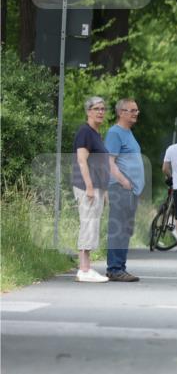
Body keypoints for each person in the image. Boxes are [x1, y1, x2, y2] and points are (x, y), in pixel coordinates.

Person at [105, 98, 144, 282]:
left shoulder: (129, 133)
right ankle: (114, 268)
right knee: (118, 228)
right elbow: (109, 162)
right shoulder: (115, 133)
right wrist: (124, 181)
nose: (136, 113)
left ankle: (120, 267)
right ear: (121, 112)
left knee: (125, 229)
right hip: (120, 189)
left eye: (137, 110)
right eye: (132, 110)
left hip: (130, 191)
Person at [72, 96, 110, 282]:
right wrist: (89, 187)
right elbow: (82, 160)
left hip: (98, 187)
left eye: (103, 109)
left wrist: (104, 191)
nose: (101, 112)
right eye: (96, 109)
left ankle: (87, 268)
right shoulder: (85, 132)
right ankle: (84, 269)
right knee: (88, 224)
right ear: (88, 111)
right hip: (87, 186)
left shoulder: (96, 133)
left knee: (93, 225)